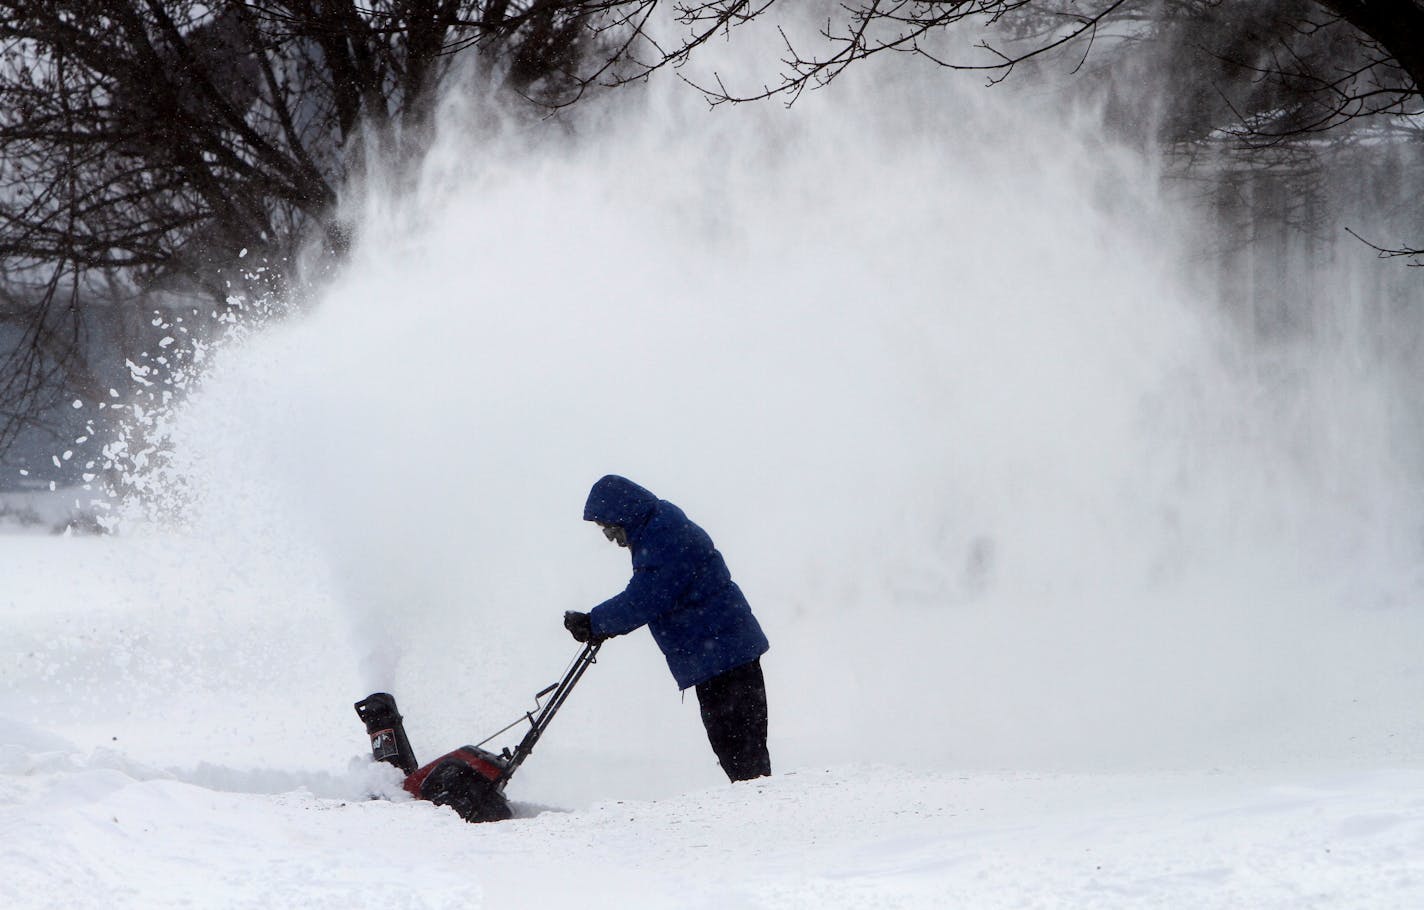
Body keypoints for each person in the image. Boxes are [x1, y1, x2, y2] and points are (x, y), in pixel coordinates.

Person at [564, 474, 771, 782]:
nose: (609, 537)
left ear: (623, 515)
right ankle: (759, 807)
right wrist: (599, 623)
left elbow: (647, 597)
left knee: (739, 750)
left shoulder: (664, 534)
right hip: (721, 654)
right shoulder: (658, 527)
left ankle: (762, 814)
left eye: (607, 527)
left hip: (725, 656)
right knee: (739, 750)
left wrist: (595, 622)